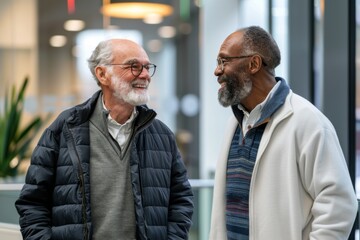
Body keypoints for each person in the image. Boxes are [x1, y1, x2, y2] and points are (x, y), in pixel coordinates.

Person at [15, 39, 194, 240]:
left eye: (147, 67)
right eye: (134, 67)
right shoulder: (65, 129)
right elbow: (33, 203)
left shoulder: (161, 135)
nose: (144, 75)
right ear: (102, 74)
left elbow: (181, 200)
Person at [209, 26, 357, 240]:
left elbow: (339, 205)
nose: (217, 71)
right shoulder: (236, 122)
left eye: (224, 61)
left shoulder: (308, 122)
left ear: (254, 64)